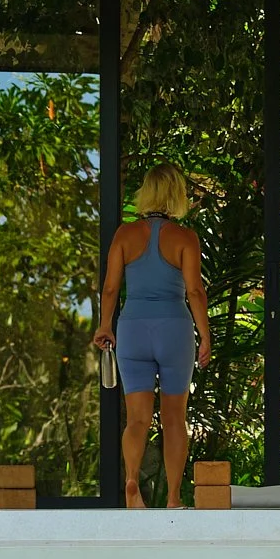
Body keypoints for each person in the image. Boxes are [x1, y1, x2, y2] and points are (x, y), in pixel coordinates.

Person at [95, 164, 211, 508]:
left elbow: (111, 287)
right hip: (173, 329)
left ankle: (132, 483)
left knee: (137, 419)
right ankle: (174, 498)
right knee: (174, 418)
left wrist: (105, 325)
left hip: (132, 329)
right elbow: (195, 291)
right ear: (177, 195)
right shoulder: (185, 237)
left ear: (146, 193)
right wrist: (204, 335)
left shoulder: (124, 235)